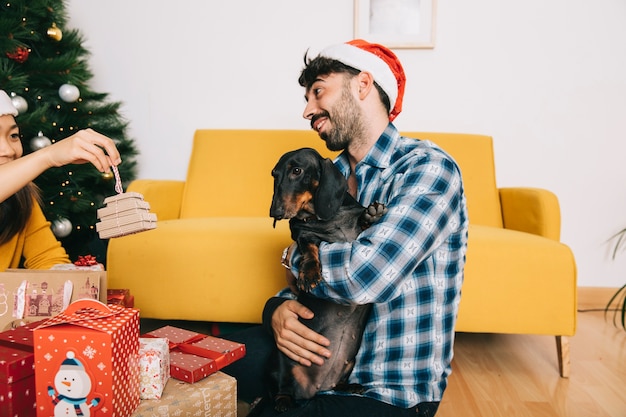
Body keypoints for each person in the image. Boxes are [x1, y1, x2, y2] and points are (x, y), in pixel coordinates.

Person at [224, 39, 468, 417]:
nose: (307, 110)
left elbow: (366, 277)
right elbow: (306, 282)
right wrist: (277, 309)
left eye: (318, 91)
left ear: (362, 85)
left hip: (382, 390)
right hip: (314, 351)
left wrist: (292, 256)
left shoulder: (428, 168)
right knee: (198, 361)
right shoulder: (328, 177)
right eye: (306, 98)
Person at [0, 90, 122, 269]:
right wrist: (48, 155)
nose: (8, 150)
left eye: (13, 136)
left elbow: (47, 258)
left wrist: (74, 277)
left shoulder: (21, 197)